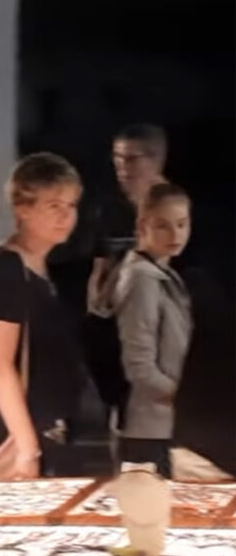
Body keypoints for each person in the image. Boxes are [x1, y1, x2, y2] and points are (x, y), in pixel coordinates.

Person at [0, 153, 85, 479]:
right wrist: (26, 446)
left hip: (51, 427)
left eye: (71, 205)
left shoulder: (37, 266)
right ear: (23, 208)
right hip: (28, 434)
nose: (66, 216)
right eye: (54, 205)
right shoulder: (6, 271)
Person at [83, 125, 168, 432]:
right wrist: (97, 310)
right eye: (118, 160)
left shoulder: (177, 211)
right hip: (119, 341)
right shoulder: (111, 211)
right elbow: (99, 271)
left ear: (157, 159)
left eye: (132, 159)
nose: (123, 169)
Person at [113, 183, 194, 479]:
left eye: (182, 224)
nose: (175, 235)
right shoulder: (142, 278)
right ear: (143, 225)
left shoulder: (160, 272)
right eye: (162, 226)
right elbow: (139, 366)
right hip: (149, 430)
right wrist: (188, 396)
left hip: (166, 425)